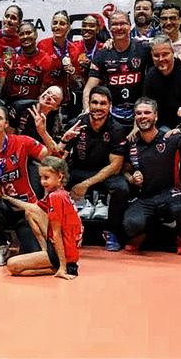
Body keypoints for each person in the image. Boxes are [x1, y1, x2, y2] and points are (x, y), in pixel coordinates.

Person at [121, 98, 181, 254]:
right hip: (145, 197)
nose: (142, 116)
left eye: (147, 112)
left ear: (156, 116)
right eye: (138, 113)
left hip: (170, 193)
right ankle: (144, 234)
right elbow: (124, 170)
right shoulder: (131, 143)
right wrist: (131, 177)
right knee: (131, 224)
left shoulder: (170, 137)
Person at [59, 86, 129, 251]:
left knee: (122, 188)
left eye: (103, 103)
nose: (98, 107)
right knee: (55, 181)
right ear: (88, 104)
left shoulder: (117, 129)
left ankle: (112, 232)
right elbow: (59, 158)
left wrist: (86, 185)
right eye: (94, 102)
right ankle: (63, 231)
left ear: (110, 106)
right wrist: (64, 140)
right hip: (79, 170)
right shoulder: (76, 124)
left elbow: (115, 166)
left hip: (106, 172)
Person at [0, 105, 48, 267]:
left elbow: (54, 158)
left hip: (26, 208)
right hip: (2, 205)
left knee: (34, 255)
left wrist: (43, 132)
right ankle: (1, 244)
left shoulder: (22, 142)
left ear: (6, 124)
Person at [5, 157, 82, 279]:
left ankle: (59, 267)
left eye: (46, 178)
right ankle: (46, 253)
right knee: (30, 212)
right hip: (67, 249)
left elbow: (57, 234)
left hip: (63, 253)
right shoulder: (62, 193)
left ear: (60, 177)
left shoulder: (55, 197)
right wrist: (9, 199)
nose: (42, 182)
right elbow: (33, 208)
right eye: (41, 178)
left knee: (12, 265)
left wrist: (62, 266)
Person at [82, 10, 151, 125]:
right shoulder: (102, 54)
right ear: (109, 28)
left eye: (123, 23)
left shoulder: (144, 49)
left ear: (130, 26)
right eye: (114, 24)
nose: (119, 27)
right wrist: (87, 110)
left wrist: (179, 55)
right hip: (112, 115)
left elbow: (164, 52)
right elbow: (89, 88)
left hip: (140, 113)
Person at [37, 11, 84, 104]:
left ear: (69, 27)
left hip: (67, 98)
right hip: (46, 96)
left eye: (62, 23)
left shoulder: (75, 49)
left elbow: (81, 81)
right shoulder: (42, 45)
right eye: (55, 23)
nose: (57, 26)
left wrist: (73, 73)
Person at [0, 22, 51, 103]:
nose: (25, 37)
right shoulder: (10, 57)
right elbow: (2, 93)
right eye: (22, 34)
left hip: (35, 104)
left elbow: (45, 93)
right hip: (12, 104)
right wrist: (8, 72)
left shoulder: (46, 60)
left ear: (36, 35)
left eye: (29, 33)